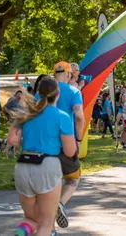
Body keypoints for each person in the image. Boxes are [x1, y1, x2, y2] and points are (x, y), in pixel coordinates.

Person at [7, 77, 76, 236]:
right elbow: (70, 151)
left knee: (30, 220)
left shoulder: (26, 114)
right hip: (47, 166)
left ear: (38, 93)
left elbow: (12, 140)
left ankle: (20, 234)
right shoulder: (62, 116)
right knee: (45, 224)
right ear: (57, 94)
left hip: (23, 165)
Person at [51, 61, 84, 230]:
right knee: (73, 178)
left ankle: (49, 229)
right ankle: (61, 203)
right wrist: (78, 139)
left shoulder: (42, 92)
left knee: (49, 184)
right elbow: (79, 116)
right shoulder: (73, 91)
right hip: (66, 143)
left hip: (43, 145)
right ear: (70, 74)